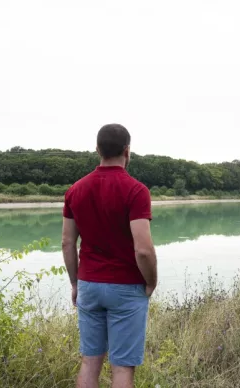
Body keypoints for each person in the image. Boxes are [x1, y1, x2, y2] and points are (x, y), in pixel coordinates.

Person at [61, 124, 158, 388]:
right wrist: (151, 282)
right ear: (127, 151)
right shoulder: (136, 190)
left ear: (97, 150)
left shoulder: (75, 190)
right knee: (123, 367)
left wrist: (75, 283)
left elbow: (68, 243)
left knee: (90, 362)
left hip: (89, 285)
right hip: (126, 287)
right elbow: (144, 249)